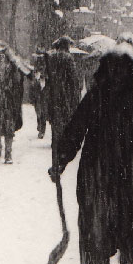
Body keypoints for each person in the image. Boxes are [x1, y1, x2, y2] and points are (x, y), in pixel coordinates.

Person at [48, 45, 133, 264]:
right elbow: (76, 130)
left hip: (124, 175)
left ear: (129, 72)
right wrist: (61, 160)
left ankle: (108, 260)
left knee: (116, 222)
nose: (116, 77)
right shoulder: (96, 97)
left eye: (121, 71)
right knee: (94, 222)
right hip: (95, 173)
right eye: (112, 70)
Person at [44, 36, 82, 169]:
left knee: (55, 125)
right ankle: (61, 156)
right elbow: (73, 80)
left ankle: (55, 153)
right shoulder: (68, 58)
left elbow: (47, 77)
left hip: (53, 97)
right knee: (65, 125)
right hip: (65, 97)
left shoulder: (51, 58)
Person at [0, 41, 31, 164]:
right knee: (5, 126)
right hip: (5, 100)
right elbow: (20, 78)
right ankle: (6, 153)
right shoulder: (12, 65)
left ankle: (1, 149)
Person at [31, 51, 47, 139]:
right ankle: (40, 125)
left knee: (42, 112)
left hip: (43, 94)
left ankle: (42, 129)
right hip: (38, 94)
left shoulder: (46, 68)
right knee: (38, 112)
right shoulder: (35, 70)